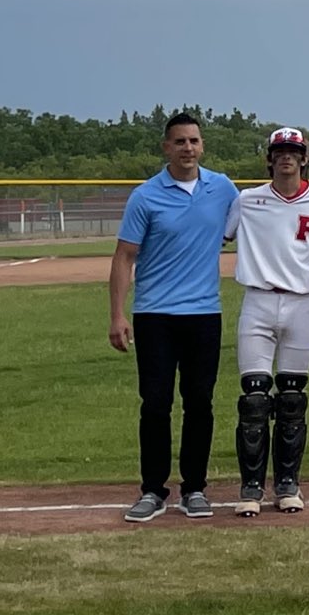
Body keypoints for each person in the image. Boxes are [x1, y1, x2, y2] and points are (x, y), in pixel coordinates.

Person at [109, 111, 238, 522]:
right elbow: (124, 256)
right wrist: (117, 315)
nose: (187, 148)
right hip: (155, 315)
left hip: (203, 314)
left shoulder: (222, 189)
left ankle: (195, 488)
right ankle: (152, 490)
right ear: (166, 147)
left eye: (194, 141)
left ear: (203, 146)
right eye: (179, 142)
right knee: (156, 404)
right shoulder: (145, 196)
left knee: (199, 403)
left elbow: (248, 225)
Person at [222, 127, 309, 517]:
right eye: (280, 151)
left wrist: (298, 271)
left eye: (293, 151)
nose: (286, 157)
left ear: (304, 158)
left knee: (292, 399)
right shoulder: (248, 199)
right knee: (254, 399)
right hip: (257, 300)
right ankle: (251, 487)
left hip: (302, 303)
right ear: (269, 159)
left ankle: (288, 483)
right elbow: (223, 234)